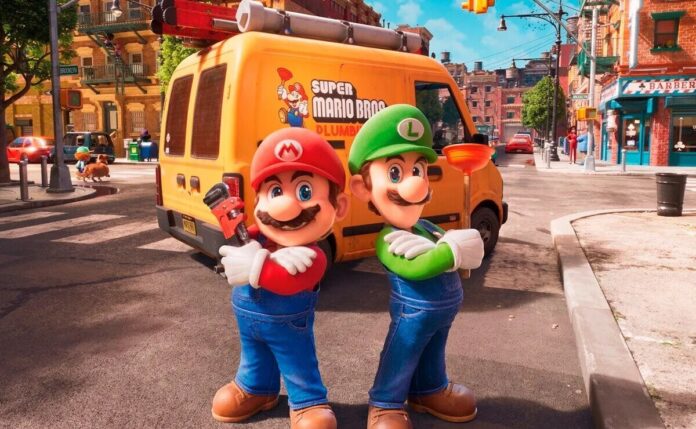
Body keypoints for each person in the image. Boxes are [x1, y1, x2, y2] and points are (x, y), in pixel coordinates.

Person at [348, 104, 485, 429]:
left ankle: (429, 389)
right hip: (414, 314)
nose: (415, 184)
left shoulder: (426, 228)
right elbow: (417, 268)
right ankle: (385, 403)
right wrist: (451, 251)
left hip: (442, 313)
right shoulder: (388, 239)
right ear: (363, 188)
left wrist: (458, 244)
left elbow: (449, 247)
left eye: (418, 170)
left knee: (433, 352)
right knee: (403, 352)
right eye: (395, 172)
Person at [212, 128, 349, 429]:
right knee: (253, 355)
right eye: (274, 191)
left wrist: (257, 267)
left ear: (338, 207)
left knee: (297, 360)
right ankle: (255, 388)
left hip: (289, 326)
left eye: (304, 191)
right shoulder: (254, 237)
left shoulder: (313, 256)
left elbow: (288, 281)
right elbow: (240, 242)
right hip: (249, 324)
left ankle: (308, 401)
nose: (283, 206)